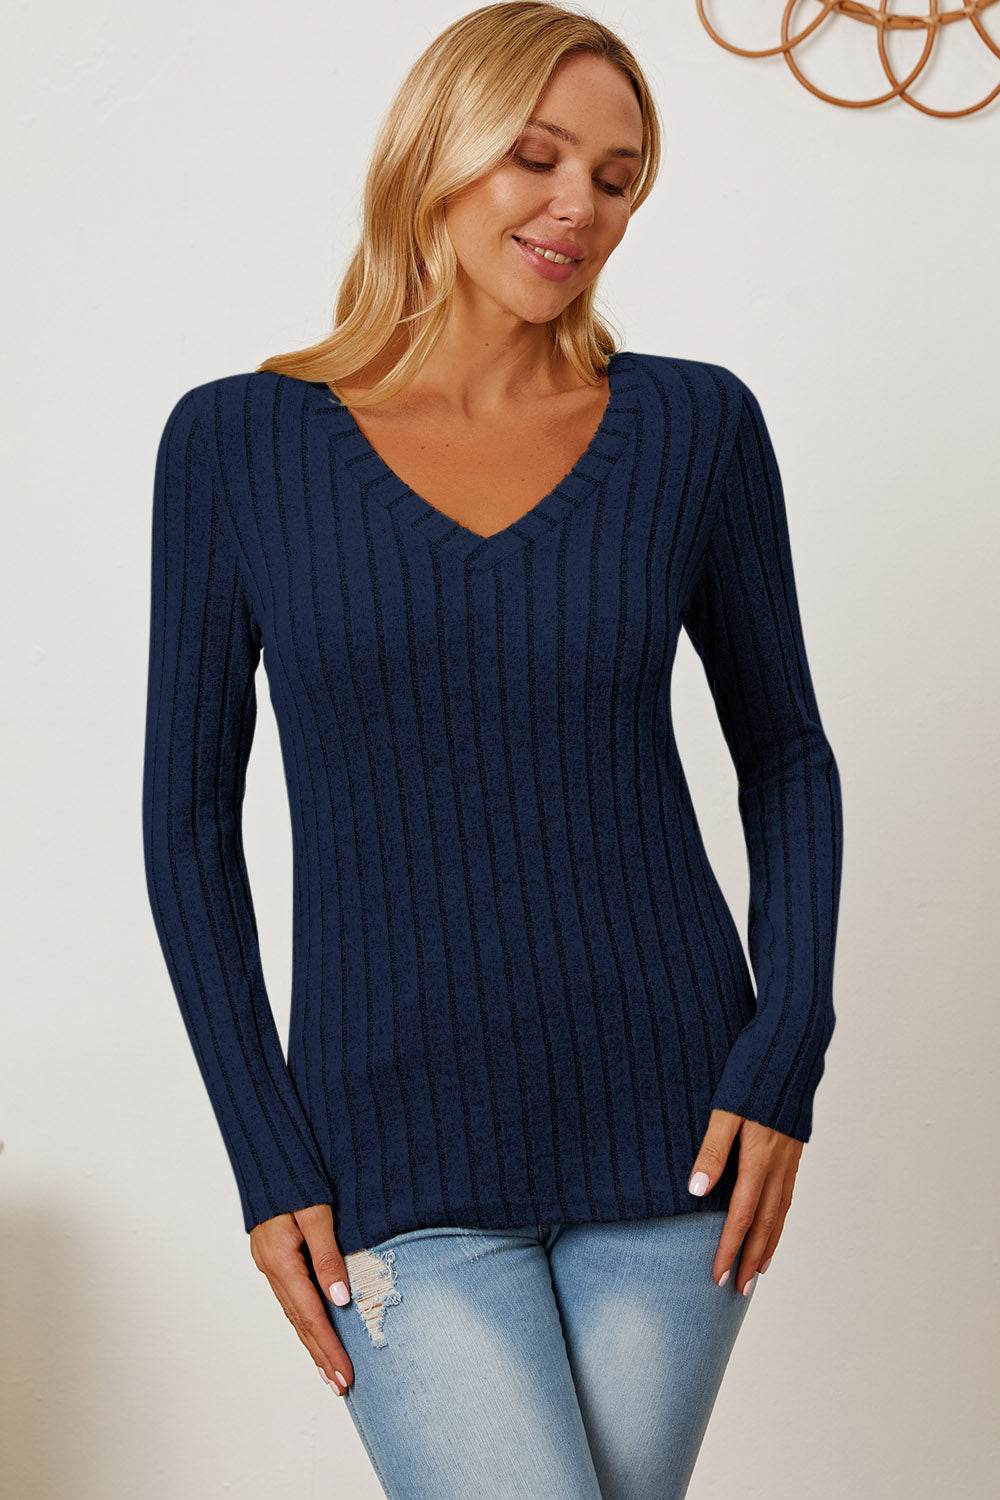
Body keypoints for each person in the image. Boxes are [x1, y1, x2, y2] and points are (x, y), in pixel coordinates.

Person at [141, 4, 844, 1495]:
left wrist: (787, 1048)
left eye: (617, 178)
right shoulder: (235, 445)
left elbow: (785, 754)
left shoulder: (695, 429)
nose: (578, 205)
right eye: (537, 157)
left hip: (679, 1130)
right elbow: (189, 824)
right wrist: (266, 1151)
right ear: (435, 153)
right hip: (384, 1145)